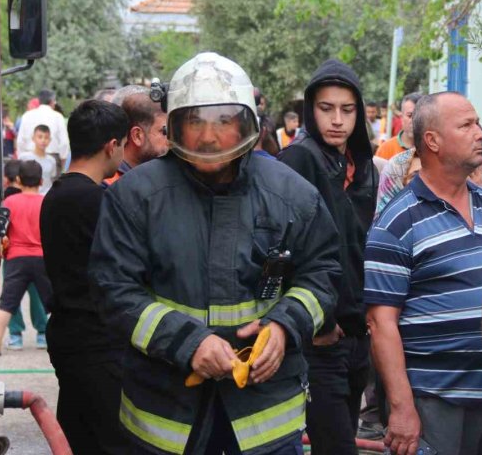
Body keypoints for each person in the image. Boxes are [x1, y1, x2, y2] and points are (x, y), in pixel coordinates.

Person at [89, 52, 342, 455]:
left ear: (247, 124)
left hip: (266, 420)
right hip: (165, 420)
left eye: (223, 121)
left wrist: (283, 326)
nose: (208, 137)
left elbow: (324, 275)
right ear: (173, 125)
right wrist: (187, 344)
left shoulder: (293, 196)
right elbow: (112, 291)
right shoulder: (135, 197)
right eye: (194, 123)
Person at [365, 92, 482, 455]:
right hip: (434, 402)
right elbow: (380, 323)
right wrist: (402, 407)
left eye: (479, 122)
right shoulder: (396, 221)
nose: (480, 133)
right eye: (467, 125)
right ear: (432, 141)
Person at [278, 59, 378, 455]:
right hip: (319, 341)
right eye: (326, 108)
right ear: (309, 110)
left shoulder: (361, 165)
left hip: (358, 335)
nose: (337, 120)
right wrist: (316, 322)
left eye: (348, 109)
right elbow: (283, 249)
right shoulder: (299, 160)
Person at [40, 99, 131, 454]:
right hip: (96, 341)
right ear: (112, 146)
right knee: (111, 440)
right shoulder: (94, 200)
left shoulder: (58, 194)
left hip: (68, 332)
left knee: (78, 435)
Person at [0, 160, 53, 354]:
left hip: (16, 258)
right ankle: (60, 341)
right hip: (41, 257)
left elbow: (3, 230)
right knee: (53, 303)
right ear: (41, 180)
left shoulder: (10, 202)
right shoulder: (46, 201)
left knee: (7, 303)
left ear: (18, 180)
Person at [105, 88, 168, 184]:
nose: (170, 141)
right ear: (137, 136)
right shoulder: (111, 185)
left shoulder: (161, 175)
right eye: (164, 132)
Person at [17, 89, 70, 162]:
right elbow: (64, 142)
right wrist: (63, 159)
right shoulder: (58, 117)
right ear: (52, 101)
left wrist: (22, 157)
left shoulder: (27, 115)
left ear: (39, 101)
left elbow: (20, 141)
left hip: (29, 159)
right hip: (53, 157)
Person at [375, 93, 421, 161]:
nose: (414, 120)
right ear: (401, 117)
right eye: (410, 115)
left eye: (420, 115)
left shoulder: (434, 149)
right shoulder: (385, 149)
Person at [19, 125, 58, 194]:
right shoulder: (24, 158)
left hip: (46, 196)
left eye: (46, 137)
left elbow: (52, 178)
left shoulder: (52, 160)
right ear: (33, 138)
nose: (43, 140)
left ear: (50, 140)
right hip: (29, 195)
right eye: (40, 137)